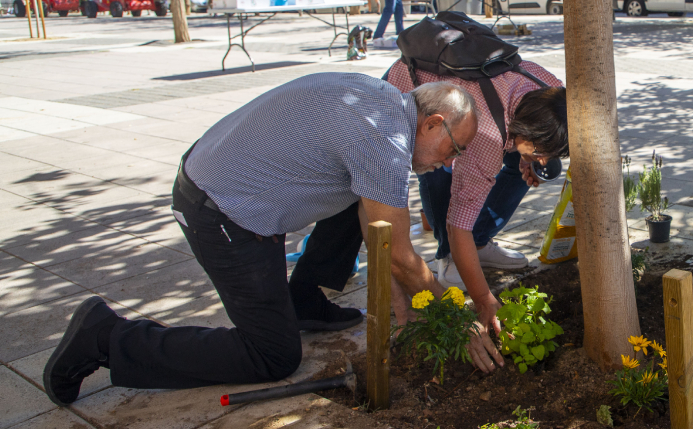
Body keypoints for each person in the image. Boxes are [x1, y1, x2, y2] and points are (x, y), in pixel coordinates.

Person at [41, 75, 505, 406]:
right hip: (221, 209)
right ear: (431, 124)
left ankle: (302, 300)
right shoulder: (383, 141)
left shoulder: (383, 99)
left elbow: (377, 230)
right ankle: (105, 335)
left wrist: (402, 310)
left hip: (228, 176)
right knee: (273, 355)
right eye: (454, 150)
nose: (449, 164)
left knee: (371, 204)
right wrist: (457, 311)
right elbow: (400, 256)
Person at [385, 58, 566, 334]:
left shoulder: (554, 94)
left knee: (520, 168)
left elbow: (536, 142)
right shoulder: (488, 135)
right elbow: (459, 223)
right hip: (415, 88)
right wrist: (483, 299)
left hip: (475, 97)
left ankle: (478, 246)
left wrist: (529, 158)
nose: (544, 161)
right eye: (541, 151)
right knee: (438, 169)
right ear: (525, 130)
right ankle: (448, 255)